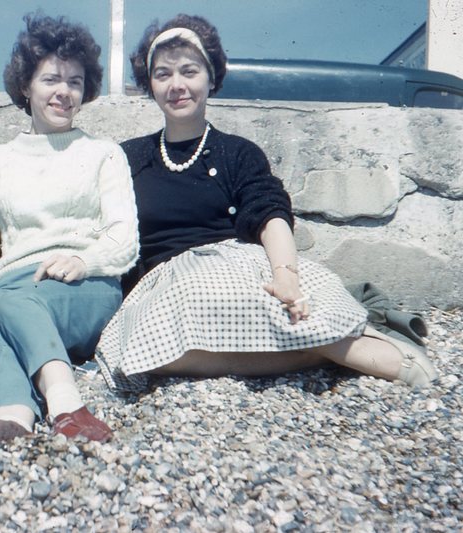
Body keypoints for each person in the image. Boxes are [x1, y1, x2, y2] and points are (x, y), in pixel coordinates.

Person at [95, 14, 438, 393]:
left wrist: (285, 275)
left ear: (211, 77)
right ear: (150, 84)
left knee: (228, 300)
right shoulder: (130, 157)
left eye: (189, 71)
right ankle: (325, 349)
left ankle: (361, 352)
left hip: (232, 271)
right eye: (163, 74)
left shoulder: (237, 152)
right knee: (141, 354)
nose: (177, 85)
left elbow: (270, 213)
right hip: (166, 284)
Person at [0, 13, 139, 446]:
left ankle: (64, 400)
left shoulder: (104, 154)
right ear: (26, 86)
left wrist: (83, 260)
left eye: (75, 82)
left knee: (2, 303)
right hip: (16, 290)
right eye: (51, 79)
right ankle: (14, 417)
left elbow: (124, 239)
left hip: (84, 289)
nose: (64, 91)